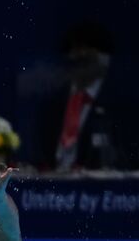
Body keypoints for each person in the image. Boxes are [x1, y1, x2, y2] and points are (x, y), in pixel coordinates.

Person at [36, 21, 128, 171]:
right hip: (52, 186)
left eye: (87, 54)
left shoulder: (119, 104)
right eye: (75, 52)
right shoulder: (52, 102)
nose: (78, 57)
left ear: (105, 59)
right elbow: (40, 153)